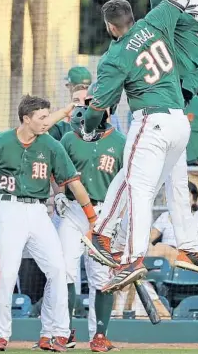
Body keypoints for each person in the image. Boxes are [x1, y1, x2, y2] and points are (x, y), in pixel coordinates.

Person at [82, 0, 198, 293]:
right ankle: (189, 247)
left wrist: (88, 128)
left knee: (138, 191)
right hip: (178, 123)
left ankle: (131, 257)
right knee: (173, 186)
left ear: (109, 26)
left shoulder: (114, 56)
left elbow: (98, 109)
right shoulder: (155, 22)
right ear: (132, 16)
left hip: (151, 122)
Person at [0, 95, 99, 352]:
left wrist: (92, 217)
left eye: (48, 116)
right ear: (26, 118)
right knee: (7, 274)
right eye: (42, 117)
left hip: (38, 211)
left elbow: (73, 182)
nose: (47, 122)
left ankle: (54, 333)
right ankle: (0, 335)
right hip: (8, 208)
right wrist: (0, 206)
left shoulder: (52, 145)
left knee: (57, 270)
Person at [39, 85, 125, 352]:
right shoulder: (69, 138)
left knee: (101, 277)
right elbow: (54, 171)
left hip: (104, 214)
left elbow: (128, 185)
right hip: (73, 211)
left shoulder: (121, 142)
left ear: (109, 108)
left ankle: (99, 334)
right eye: (88, 104)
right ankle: (62, 332)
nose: (91, 109)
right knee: (64, 270)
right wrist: (59, 195)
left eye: (97, 104)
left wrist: (119, 219)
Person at [148, 181, 198, 265]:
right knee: (149, 247)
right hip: (164, 253)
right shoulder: (165, 216)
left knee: (159, 247)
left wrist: (184, 246)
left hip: (188, 253)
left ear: (194, 200)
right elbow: (149, 238)